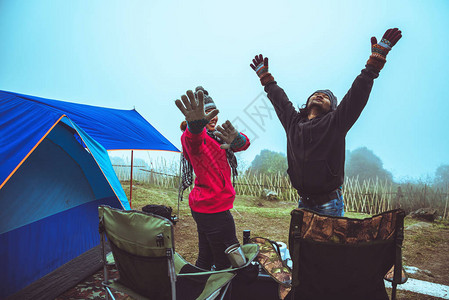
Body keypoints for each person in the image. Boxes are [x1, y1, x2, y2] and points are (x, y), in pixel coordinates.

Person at [250, 28, 402, 216]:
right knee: (302, 246)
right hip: (303, 203)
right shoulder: (293, 123)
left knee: (329, 246)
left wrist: (373, 66)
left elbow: (356, 95)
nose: (320, 95)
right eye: (316, 94)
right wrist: (266, 79)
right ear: (307, 102)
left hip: (329, 204)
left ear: (333, 108)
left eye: (327, 96)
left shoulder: (336, 122)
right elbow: (280, 100)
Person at [175, 86, 250, 270]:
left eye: (213, 111)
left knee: (206, 257)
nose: (212, 117)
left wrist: (238, 139)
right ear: (195, 117)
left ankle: (197, 289)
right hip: (213, 209)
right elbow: (192, 140)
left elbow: (243, 144)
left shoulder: (217, 137)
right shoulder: (193, 137)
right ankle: (223, 292)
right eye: (207, 112)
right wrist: (194, 126)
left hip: (205, 206)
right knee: (228, 261)